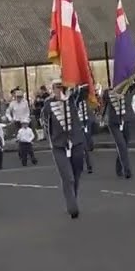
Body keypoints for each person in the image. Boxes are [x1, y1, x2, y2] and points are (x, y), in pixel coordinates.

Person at [42, 80, 90, 219]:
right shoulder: (48, 104)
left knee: (76, 174)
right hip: (59, 145)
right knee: (67, 177)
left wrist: (74, 83)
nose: (60, 90)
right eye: (57, 87)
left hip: (76, 142)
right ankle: (72, 207)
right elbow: (45, 124)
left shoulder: (73, 99)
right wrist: (50, 142)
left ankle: (72, 197)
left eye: (62, 87)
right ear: (52, 89)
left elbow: (85, 90)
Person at [101, 82, 134, 179]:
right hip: (114, 122)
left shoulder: (126, 88)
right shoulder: (108, 93)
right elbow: (104, 99)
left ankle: (118, 166)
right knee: (121, 144)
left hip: (125, 120)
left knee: (125, 144)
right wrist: (111, 90)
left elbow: (132, 84)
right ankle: (127, 170)